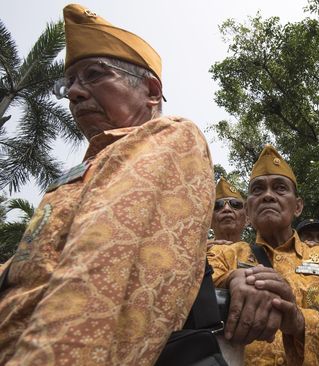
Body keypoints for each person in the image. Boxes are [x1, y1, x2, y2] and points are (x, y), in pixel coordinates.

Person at [0, 4, 215, 365]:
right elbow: (31, 268)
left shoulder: (170, 136)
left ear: (150, 89)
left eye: (94, 75)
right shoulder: (87, 168)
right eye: (68, 83)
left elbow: (102, 267)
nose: (74, 93)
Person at [207, 145, 319, 365]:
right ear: (248, 210)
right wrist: (230, 280)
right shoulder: (222, 254)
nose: (268, 195)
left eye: (280, 188)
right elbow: (189, 300)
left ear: (297, 206)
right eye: (258, 190)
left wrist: (298, 321)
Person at [208, 177, 247, 248]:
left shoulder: (260, 256)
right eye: (218, 205)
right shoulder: (195, 255)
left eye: (235, 204)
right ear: (209, 221)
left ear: (247, 219)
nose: (226, 209)